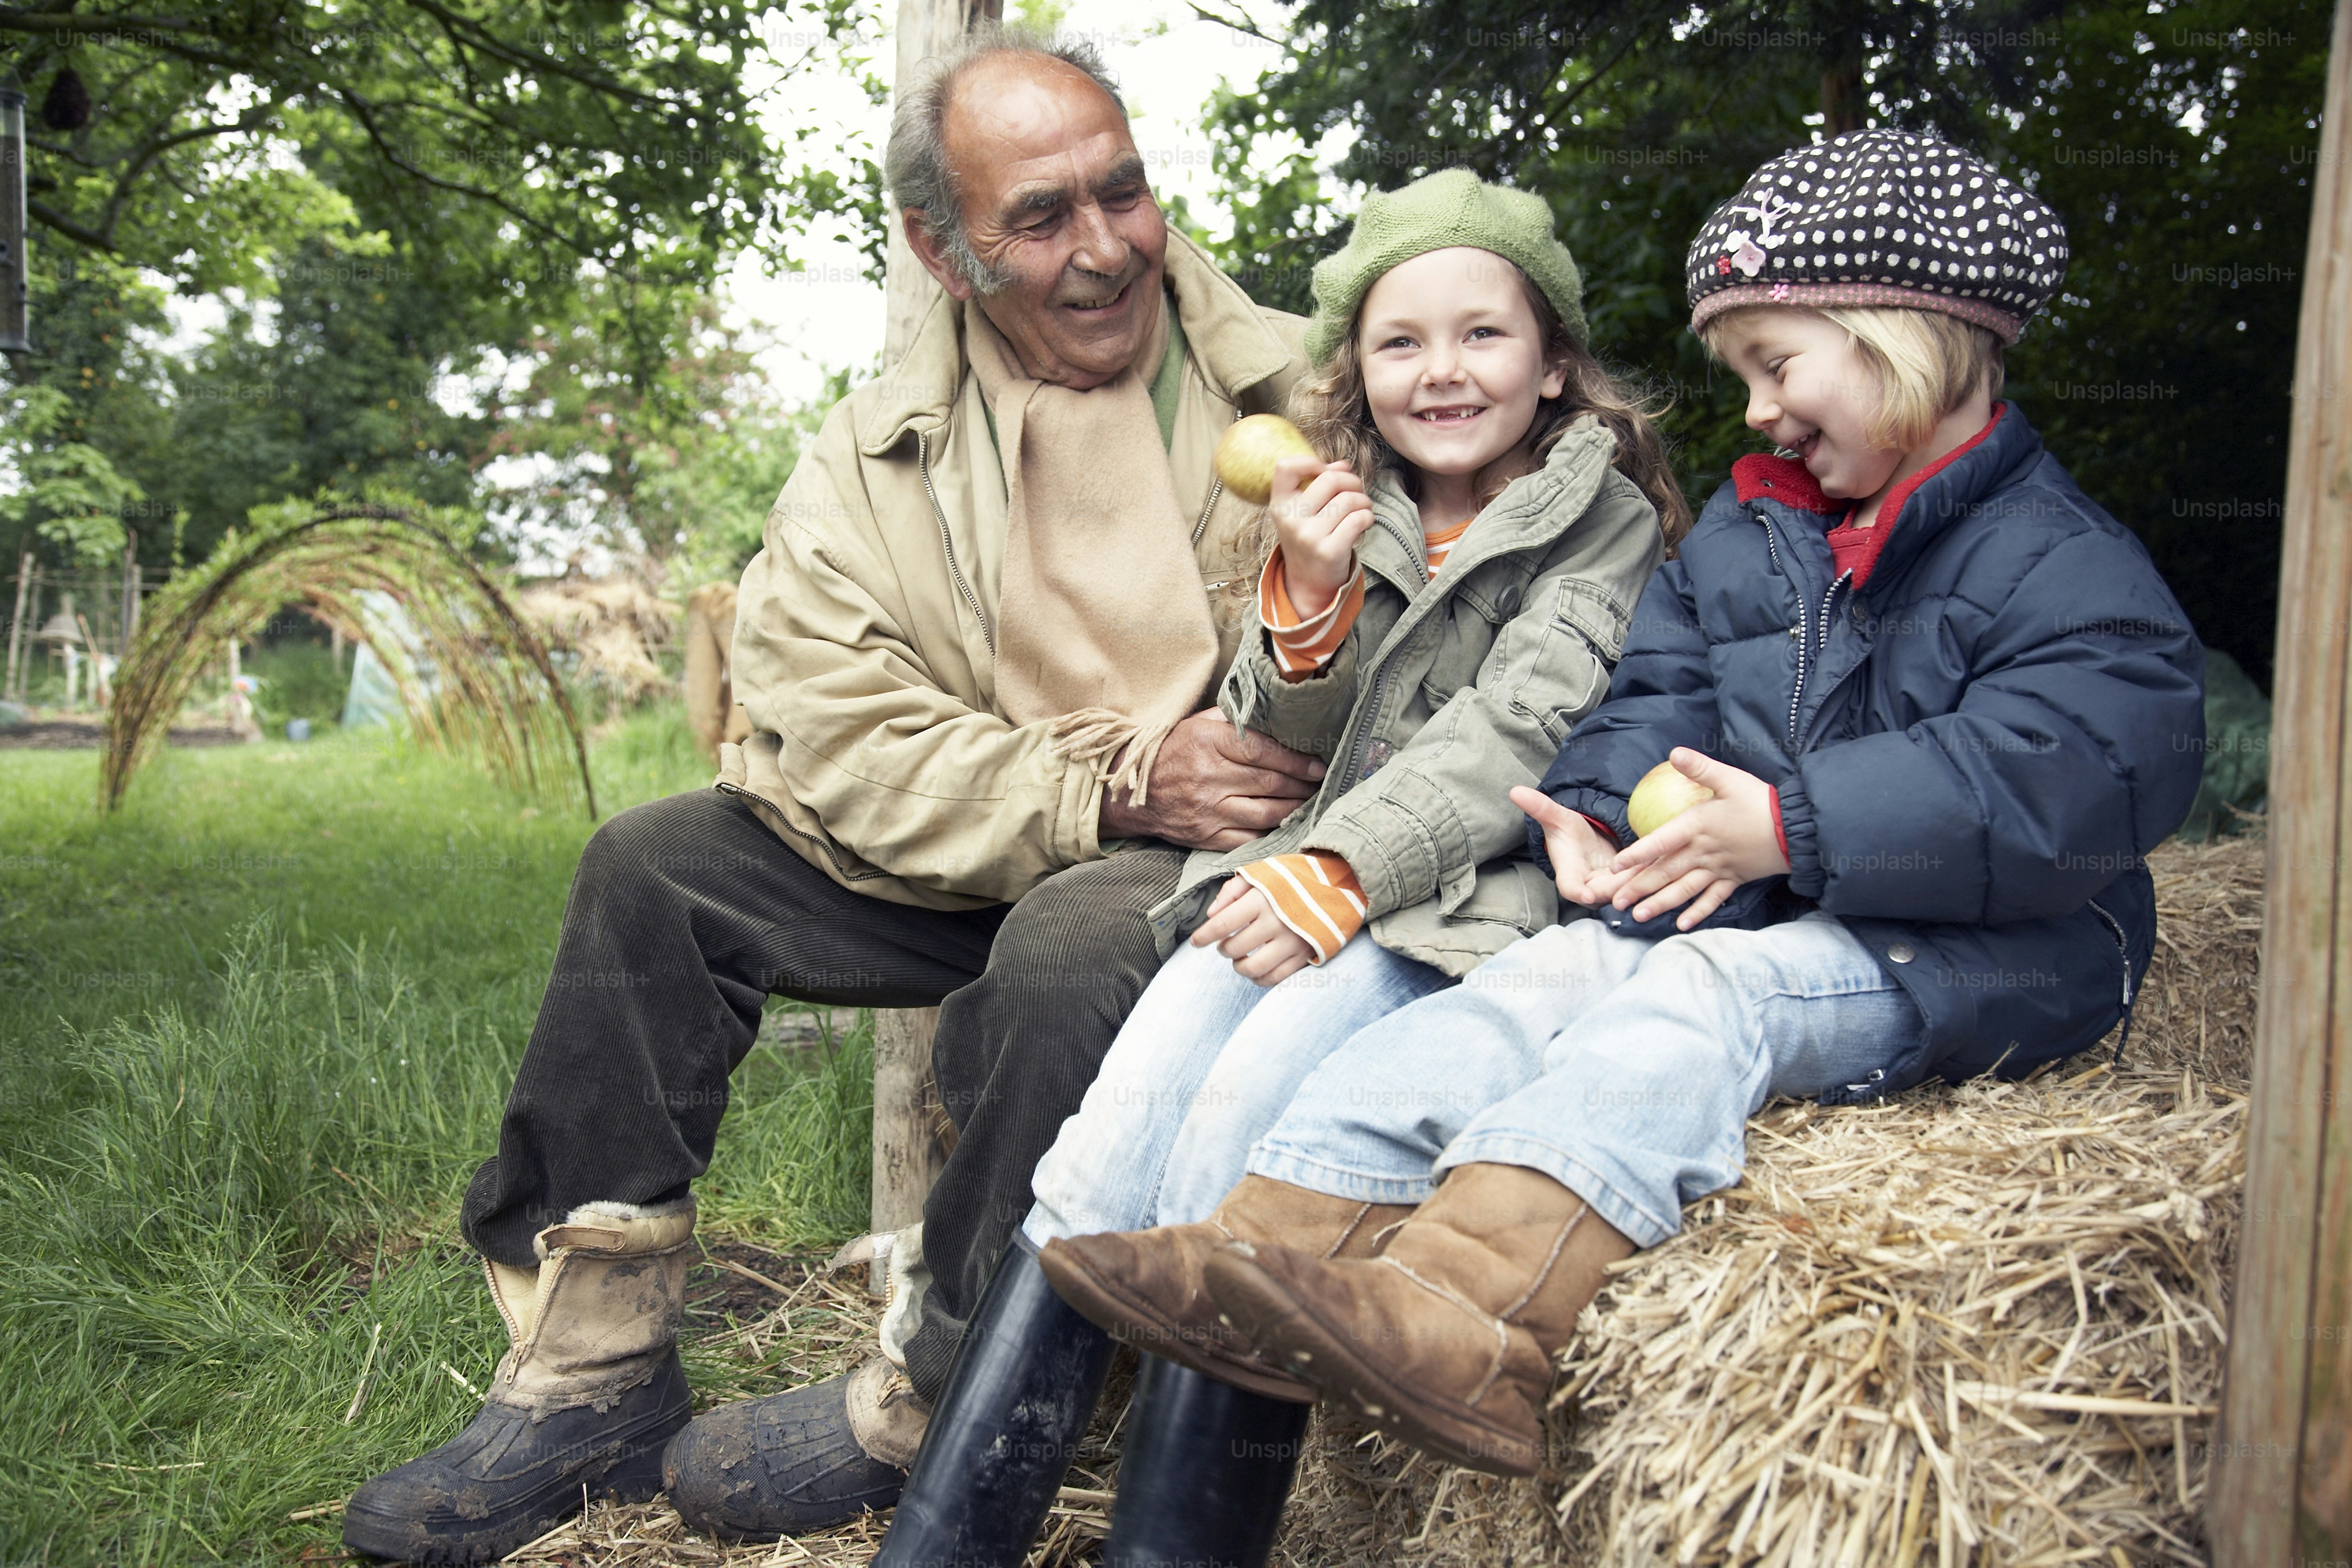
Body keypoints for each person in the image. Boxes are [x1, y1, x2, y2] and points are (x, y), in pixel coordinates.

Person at [1049, 128, 2206, 1486]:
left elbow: (2083, 767)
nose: (1759, 411)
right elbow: (1659, 690)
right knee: (1527, 989)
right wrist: (1599, 812)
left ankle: (1478, 1318)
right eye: (1744, 377)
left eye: (1778, 366)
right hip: (1766, 895)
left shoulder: (2061, 560)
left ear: (1904, 343)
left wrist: (1796, 827)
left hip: (1976, 946)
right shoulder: (1757, 533)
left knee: (1705, 999)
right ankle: (1263, 1254)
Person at [340, 25, 1327, 1566]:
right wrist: (1108, 783)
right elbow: (846, 734)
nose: (1103, 248)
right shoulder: (868, 463)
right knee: (655, 868)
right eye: (1040, 218)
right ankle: (591, 1376)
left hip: (1215, 854)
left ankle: (942, 1391)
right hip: (1020, 825)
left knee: (1068, 950)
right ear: (943, 251)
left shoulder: (1311, 386)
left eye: (1121, 192)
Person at [868, 169, 1684, 1568]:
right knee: (1116, 1121)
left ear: (1555, 365)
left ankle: (1171, 1544)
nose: (1442, 371)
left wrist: (1346, 869)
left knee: (1239, 1126)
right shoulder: (1350, 503)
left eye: (1483, 335)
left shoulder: (1604, 525)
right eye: (1400, 341)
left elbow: (1523, 725)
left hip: (1457, 902)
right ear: (1356, 375)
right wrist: (1305, 598)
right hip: (1305, 878)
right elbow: (1282, 738)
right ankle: (950, 1538)